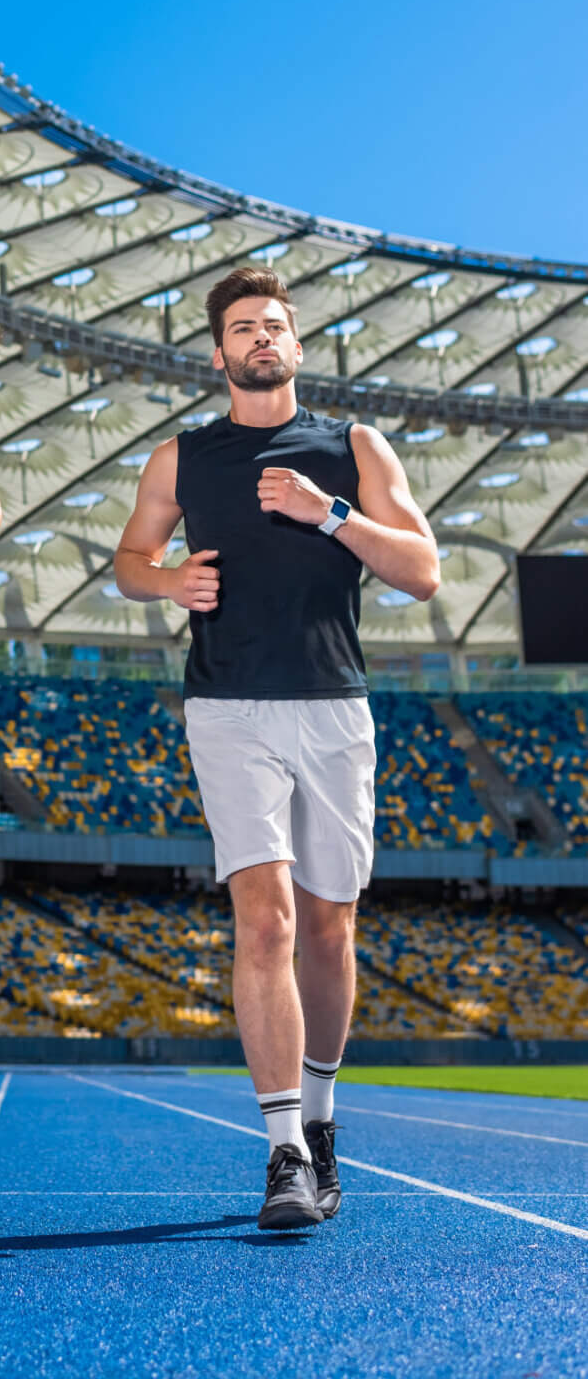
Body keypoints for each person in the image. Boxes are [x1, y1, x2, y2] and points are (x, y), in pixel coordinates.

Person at [113, 262, 439, 1232]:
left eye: (276, 326)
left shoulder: (353, 445)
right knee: (266, 923)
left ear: (297, 347)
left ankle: (325, 1115)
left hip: (334, 703)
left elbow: (424, 570)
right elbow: (131, 559)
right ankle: (284, 1149)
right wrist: (168, 581)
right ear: (219, 352)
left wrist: (327, 510)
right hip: (226, 705)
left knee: (331, 928)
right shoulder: (180, 457)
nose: (262, 338)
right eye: (245, 326)